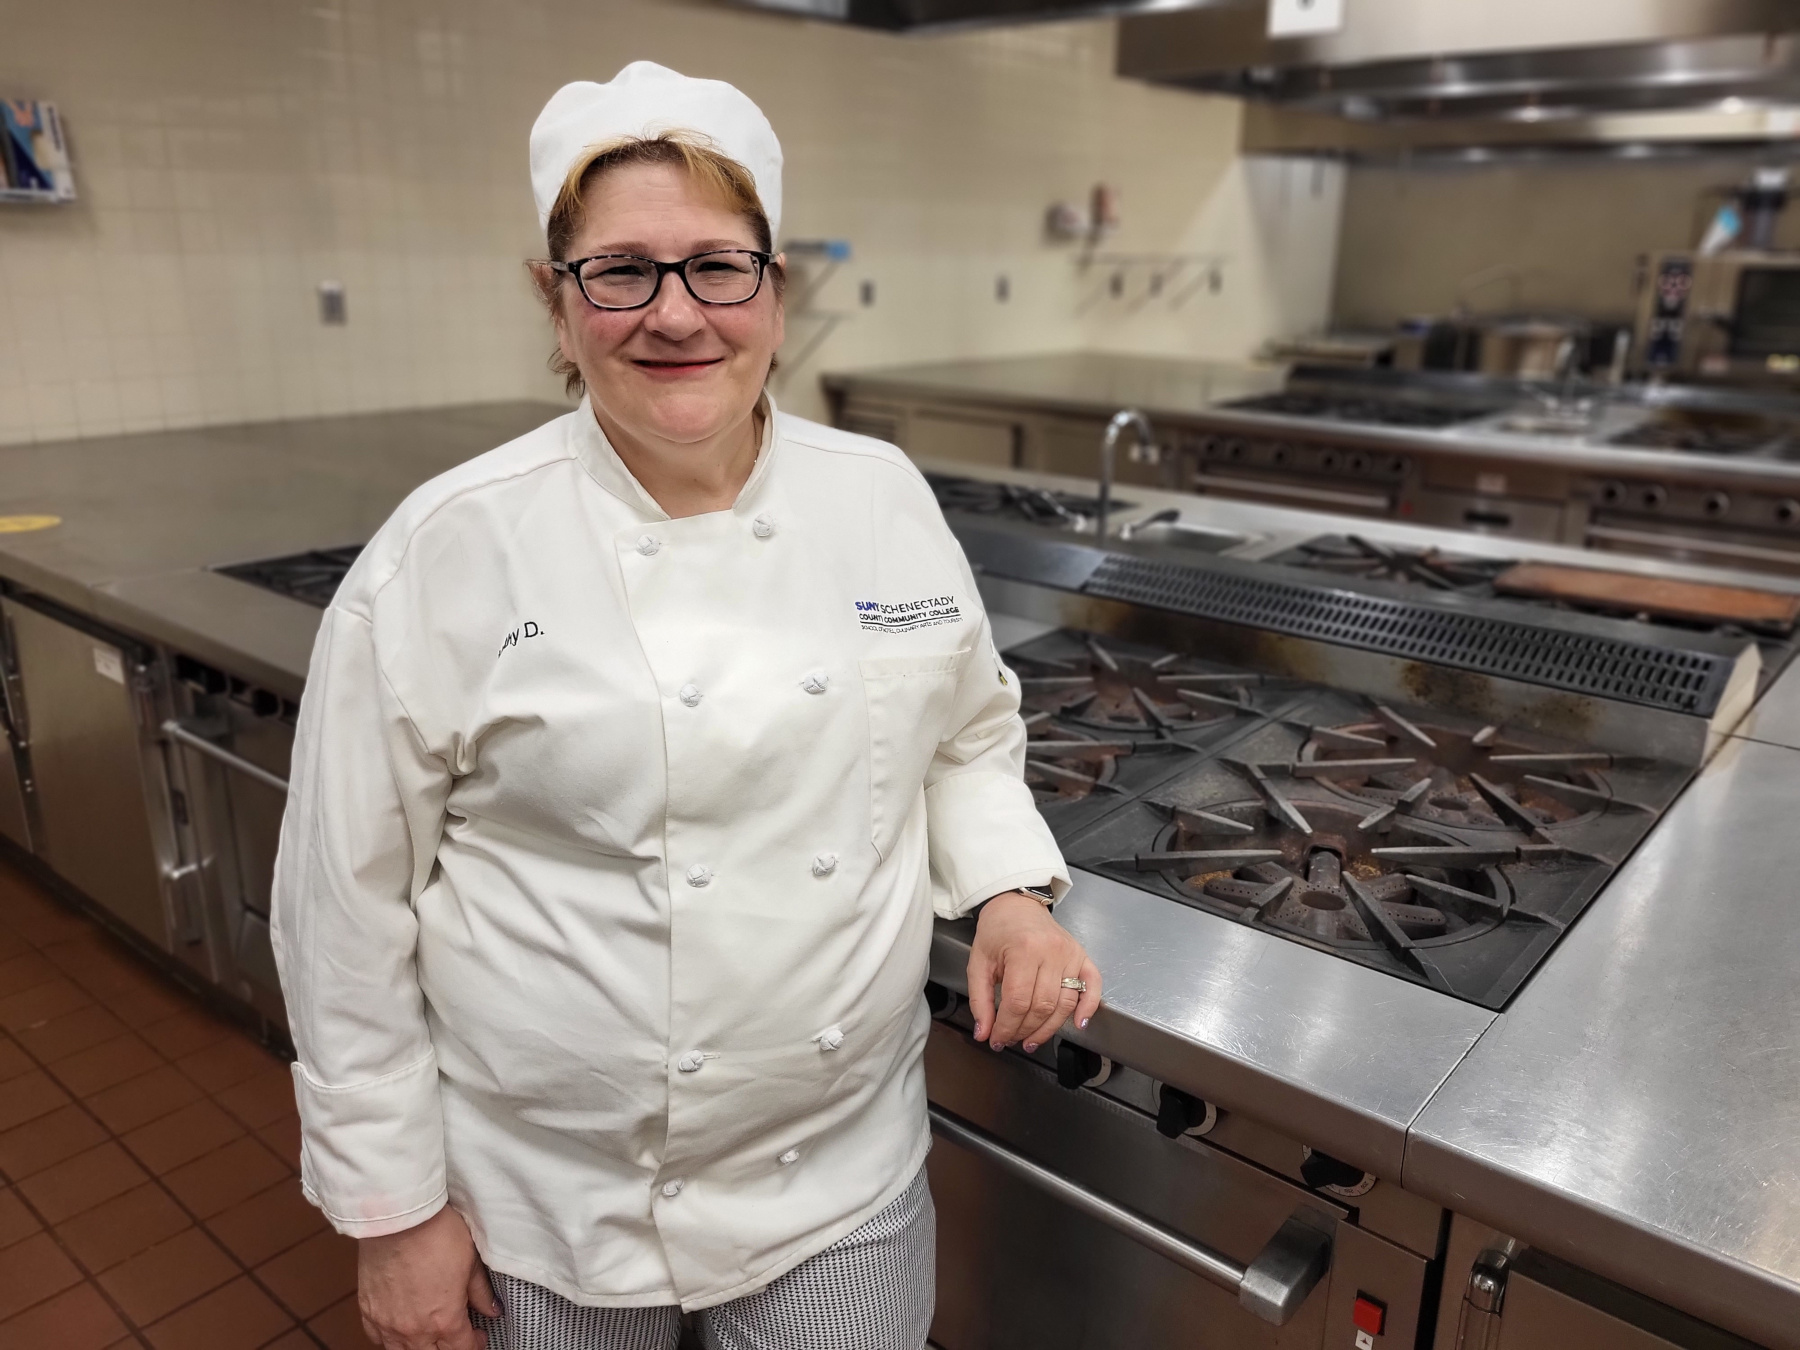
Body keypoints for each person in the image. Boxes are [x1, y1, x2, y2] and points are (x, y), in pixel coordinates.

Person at [271, 61, 1101, 1350]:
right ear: (555, 300)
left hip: (838, 1187)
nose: (677, 314)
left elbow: (965, 737)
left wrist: (1006, 894)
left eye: (719, 265)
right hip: (545, 1209)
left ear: (774, 288)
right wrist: (394, 1215)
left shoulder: (879, 499)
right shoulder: (446, 550)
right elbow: (343, 908)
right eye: (621, 271)